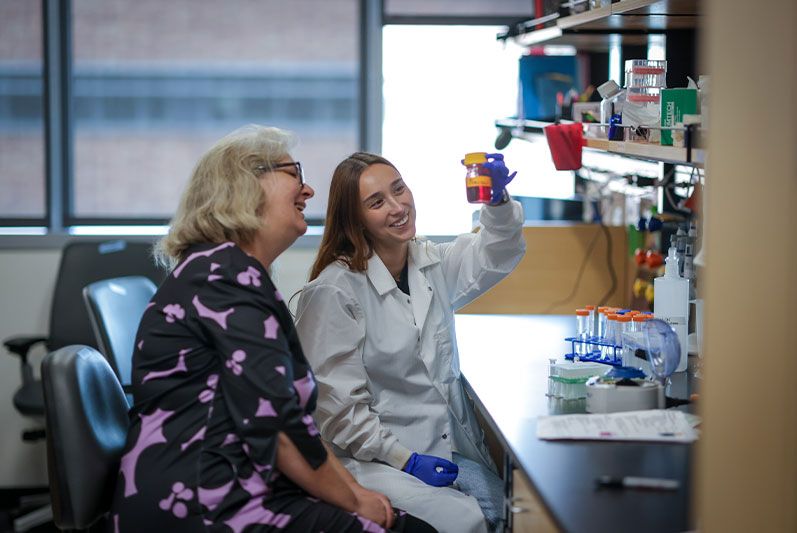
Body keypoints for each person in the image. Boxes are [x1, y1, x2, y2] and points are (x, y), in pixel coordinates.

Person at [108, 126, 436, 533]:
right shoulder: (223, 277)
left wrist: (355, 493)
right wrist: (355, 500)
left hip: (227, 480)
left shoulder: (230, 273)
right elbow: (277, 427)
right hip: (201, 498)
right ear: (246, 186)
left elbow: (291, 421)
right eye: (293, 173)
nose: (308, 190)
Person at [294, 152, 526, 533]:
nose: (398, 206)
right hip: (376, 460)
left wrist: (497, 201)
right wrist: (404, 459)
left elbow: (497, 252)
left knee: (511, 509)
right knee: (469, 520)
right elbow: (340, 412)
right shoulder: (334, 292)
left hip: (443, 450)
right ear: (356, 220)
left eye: (398, 189)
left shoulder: (428, 262)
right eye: (377, 202)